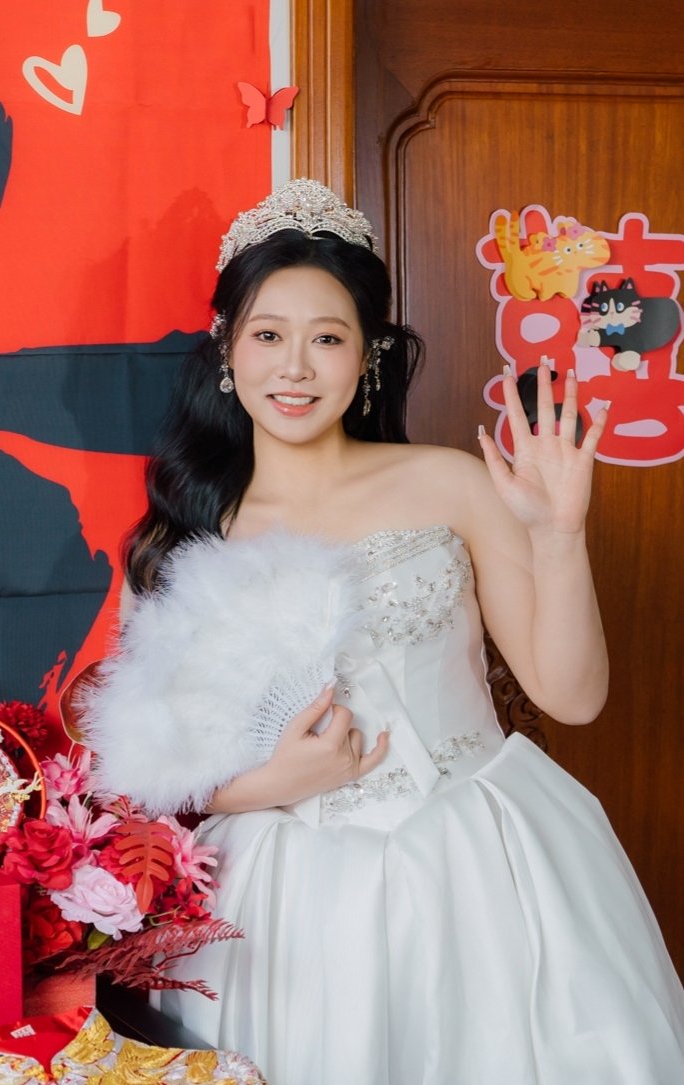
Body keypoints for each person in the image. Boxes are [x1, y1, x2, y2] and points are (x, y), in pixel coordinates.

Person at [79, 179, 684, 1082]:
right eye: (267, 335)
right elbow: (140, 772)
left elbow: (572, 697)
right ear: (225, 348)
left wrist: (559, 536)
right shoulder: (182, 532)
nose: (294, 367)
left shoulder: (449, 483)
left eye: (326, 339)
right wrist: (266, 785)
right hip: (275, 897)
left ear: (366, 357)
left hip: (476, 864)